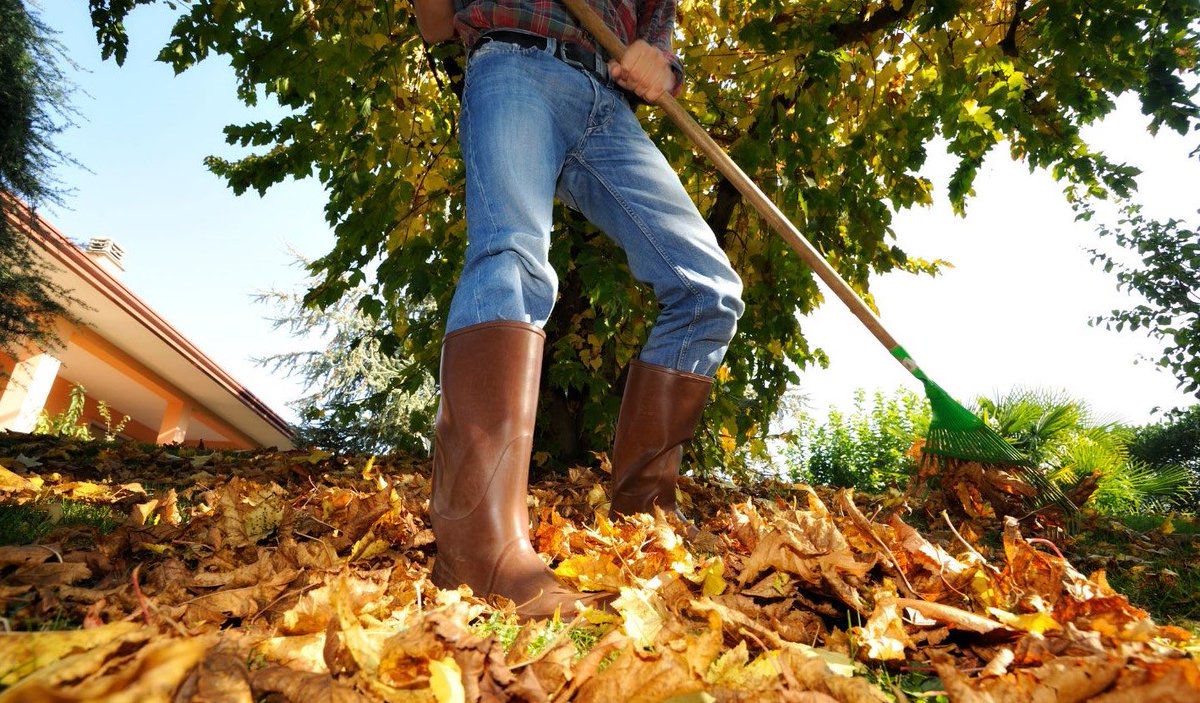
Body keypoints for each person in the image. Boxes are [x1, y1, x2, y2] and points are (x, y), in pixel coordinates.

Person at [412, 0, 744, 620]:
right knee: (511, 258)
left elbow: (658, 45)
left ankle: (644, 519)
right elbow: (435, 24)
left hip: (608, 107)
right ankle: (479, 549)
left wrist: (662, 69)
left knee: (710, 290)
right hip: (514, 63)